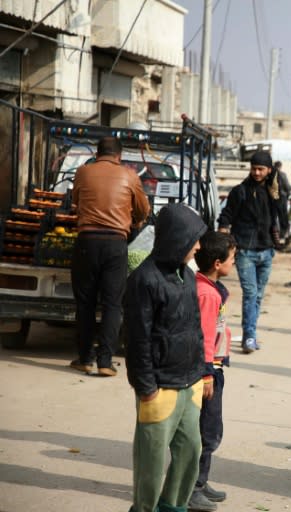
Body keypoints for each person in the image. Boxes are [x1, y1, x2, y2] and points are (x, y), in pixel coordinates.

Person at [124, 203, 209, 512]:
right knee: (152, 459)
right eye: (194, 238)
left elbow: (196, 328)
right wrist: (146, 386)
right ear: (177, 238)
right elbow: (136, 339)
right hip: (158, 388)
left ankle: (173, 506)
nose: (199, 245)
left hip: (190, 383)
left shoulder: (187, 275)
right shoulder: (144, 280)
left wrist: (203, 372)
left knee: (190, 451)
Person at [69, 136, 150, 376]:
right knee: (113, 304)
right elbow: (143, 209)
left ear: (97, 153)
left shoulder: (83, 172)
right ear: (119, 156)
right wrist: (135, 219)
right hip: (116, 244)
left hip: (87, 242)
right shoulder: (130, 175)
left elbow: (76, 202)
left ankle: (84, 358)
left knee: (85, 303)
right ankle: (105, 362)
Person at [188, 232, 236, 512]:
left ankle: (201, 482)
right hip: (207, 372)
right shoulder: (206, 293)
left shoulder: (207, 287)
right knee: (208, 432)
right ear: (218, 263)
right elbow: (205, 337)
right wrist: (207, 373)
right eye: (232, 259)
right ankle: (193, 488)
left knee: (208, 429)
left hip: (211, 368)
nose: (235, 263)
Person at [218, 150, 280, 353]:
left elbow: (281, 216)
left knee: (258, 296)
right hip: (245, 250)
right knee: (251, 294)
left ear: (269, 170)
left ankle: (251, 333)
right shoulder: (240, 191)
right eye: (254, 168)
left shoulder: (275, 192)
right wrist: (223, 233)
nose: (256, 172)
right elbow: (226, 215)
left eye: (261, 169)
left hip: (267, 250)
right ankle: (249, 337)